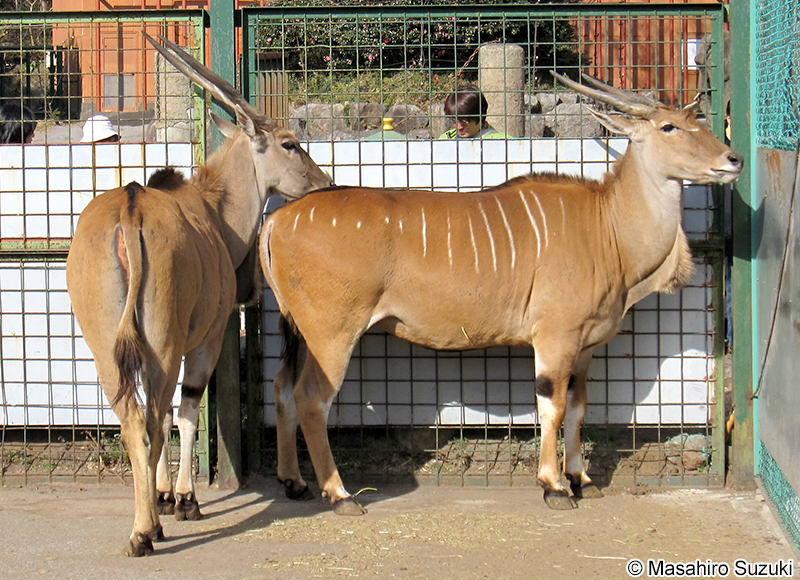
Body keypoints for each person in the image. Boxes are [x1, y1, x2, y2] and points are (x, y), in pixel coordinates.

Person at [438, 84, 507, 139]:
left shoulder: (502, 142)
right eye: (454, 120)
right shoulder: (445, 139)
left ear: (480, 117)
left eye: (465, 121)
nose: (459, 127)